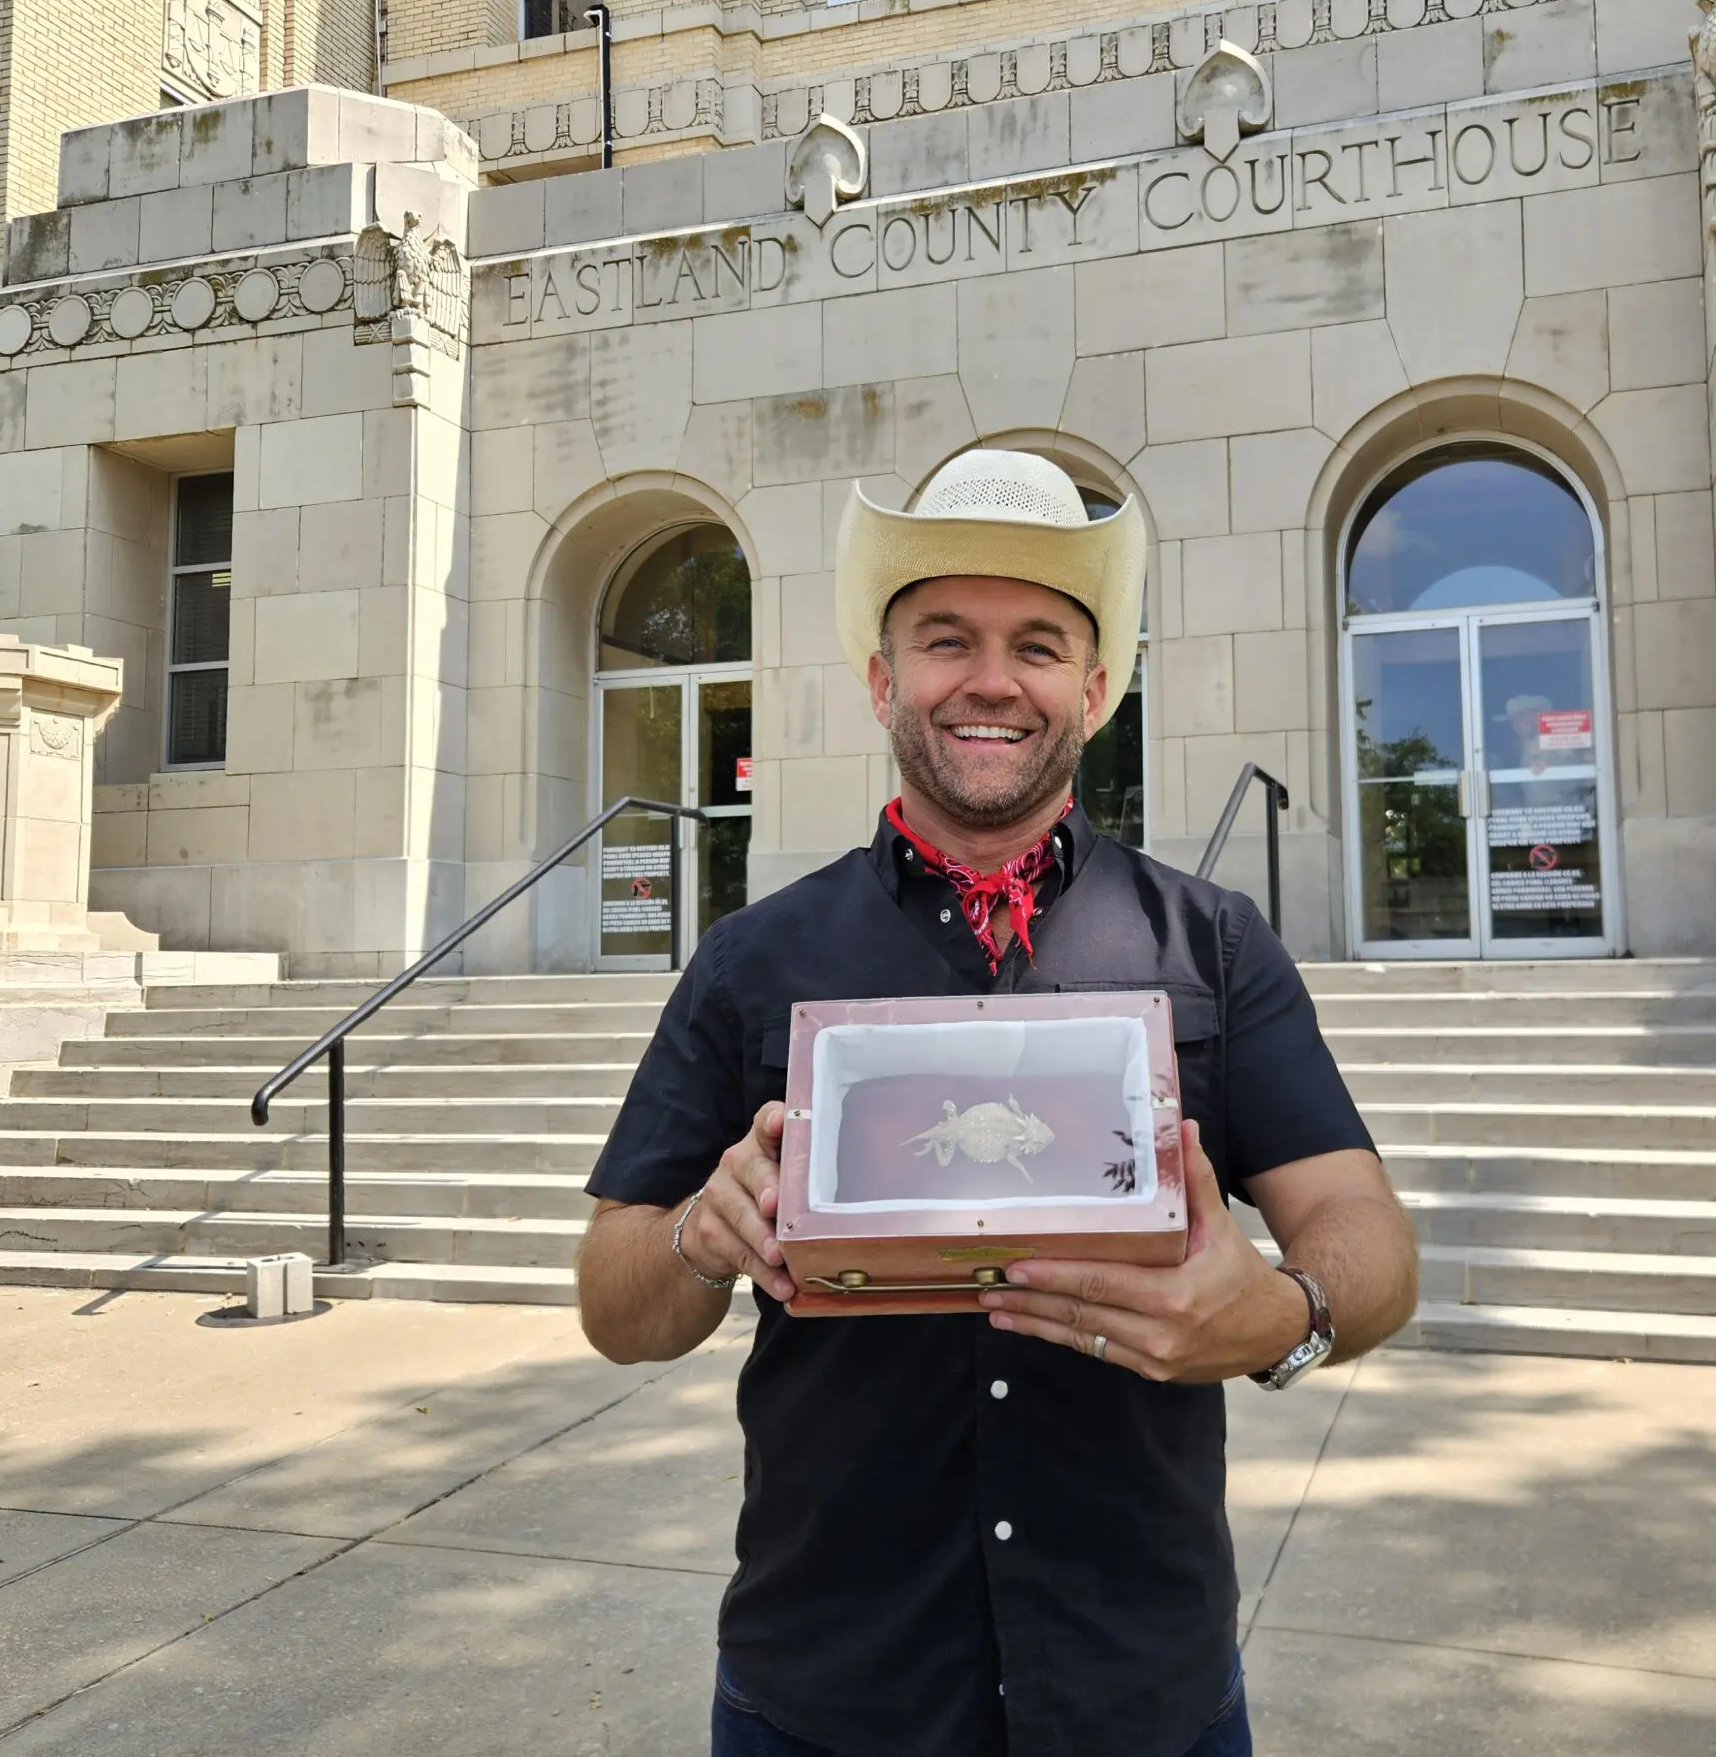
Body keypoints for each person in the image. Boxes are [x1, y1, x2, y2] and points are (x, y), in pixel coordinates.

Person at [576, 448, 1421, 1757]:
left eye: (1037, 645)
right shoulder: (754, 962)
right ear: (883, 680)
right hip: (829, 1695)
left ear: (1095, 688)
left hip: (1142, 1692)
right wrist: (701, 1233)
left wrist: (1283, 1315)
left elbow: (1370, 1237)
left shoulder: (1213, 945)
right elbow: (614, 1304)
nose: (990, 680)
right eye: (944, 640)